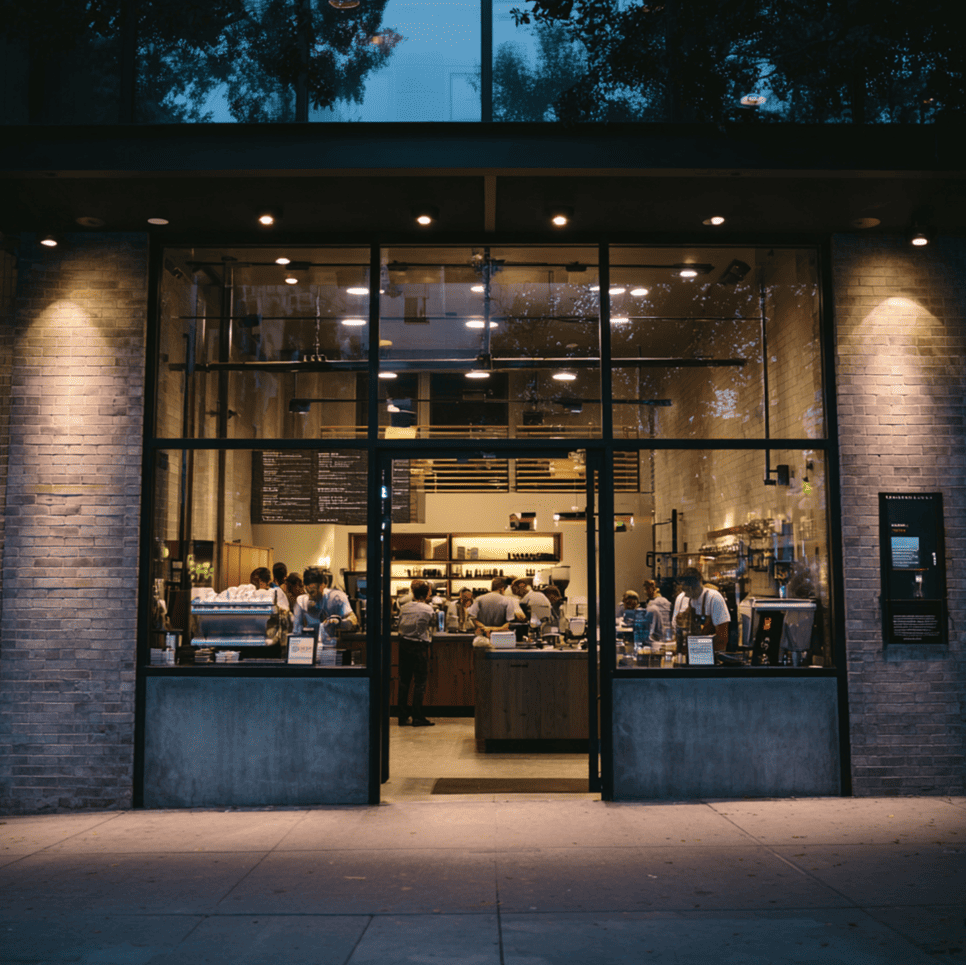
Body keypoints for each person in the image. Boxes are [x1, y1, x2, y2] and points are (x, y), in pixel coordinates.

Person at [396, 579, 436, 727]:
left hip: (404, 644)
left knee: (404, 681)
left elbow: (399, 624)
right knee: (420, 683)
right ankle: (417, 717)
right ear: (427, 594)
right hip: (419, 646)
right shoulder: (428, 609)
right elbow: (432, 625)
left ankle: (402, 716)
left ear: (413, 593)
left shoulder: (404, 607)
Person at [292, 567, 357, 647]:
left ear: (323, 585)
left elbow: (354, 620)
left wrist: (339, 622)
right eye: (307, 592)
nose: (310, 597)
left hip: (332, 646)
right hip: (310, 646)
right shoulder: (302, 601)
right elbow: (296, 632)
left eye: (312, 592)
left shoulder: (336, 597)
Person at [675, 567, 730, 652]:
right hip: (686, 654)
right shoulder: (681, 599)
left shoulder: (714, 598)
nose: (687, 593)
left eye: (693, 587)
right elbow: (675, 632)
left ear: (700, 582)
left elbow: (722, 638)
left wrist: (703, 655)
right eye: (685, 589)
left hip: (709, 655)